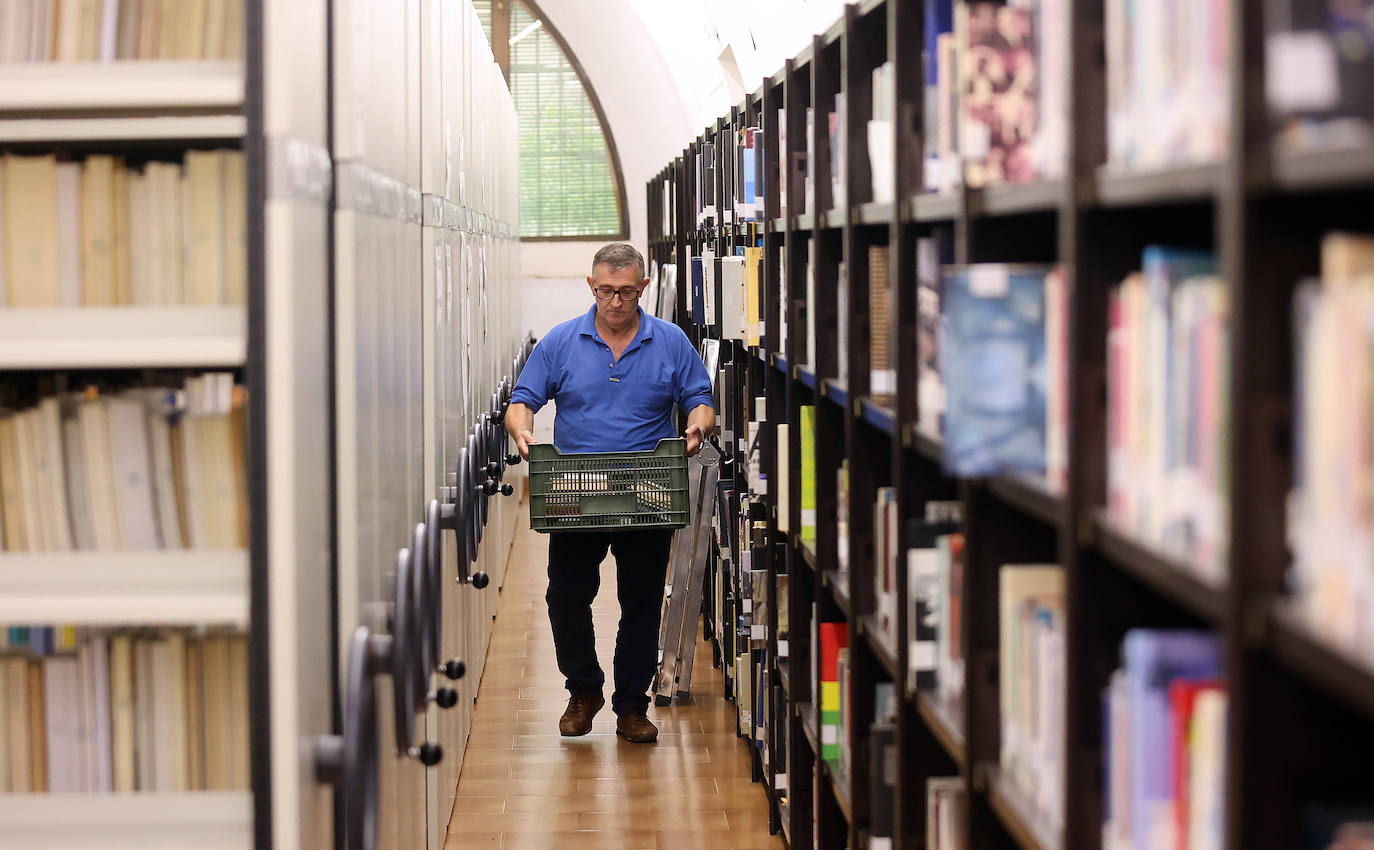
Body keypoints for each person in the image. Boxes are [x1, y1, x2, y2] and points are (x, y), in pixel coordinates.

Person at [506, 243, 715, 743]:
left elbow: (700, 398)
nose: (615, 302)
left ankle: (630, 708)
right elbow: (522, 399)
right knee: (565, 597)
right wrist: (522, 433)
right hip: (578, 491)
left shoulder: (670, 341)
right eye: (606, 291)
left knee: (640, 603)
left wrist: (697, 431)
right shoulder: (560, 342)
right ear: (591, 287)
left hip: (648, 490)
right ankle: (584, 689)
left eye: (625, 292)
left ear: (643, 288)